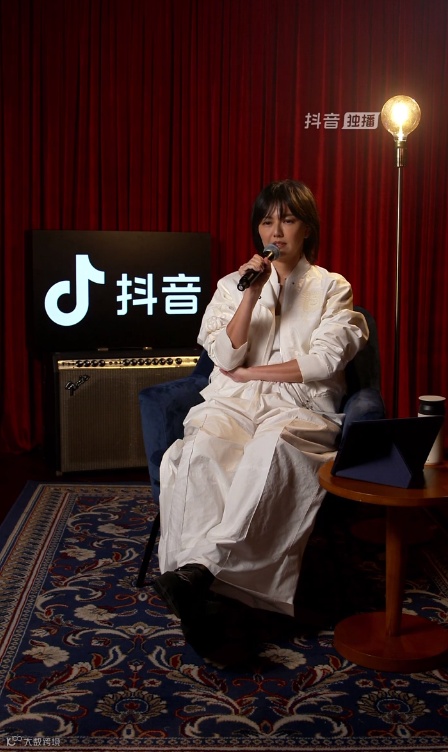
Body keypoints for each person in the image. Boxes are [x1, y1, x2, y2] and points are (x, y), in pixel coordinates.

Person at [153, 179, 369, 636]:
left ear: (307, 228)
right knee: (200, 452)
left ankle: (199, 576)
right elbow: (224, 355)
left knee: (271, 453)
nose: (276, 231)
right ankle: (202, 587)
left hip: (300, 405)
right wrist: (251, 293)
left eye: (287, 220)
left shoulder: (333, 288)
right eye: (267, 221)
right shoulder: (232, 286)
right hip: (232, 402)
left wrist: (253, 373)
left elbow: (324, 361)